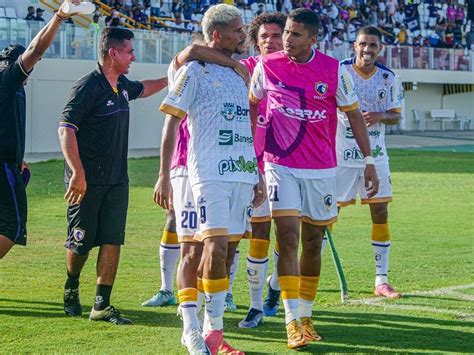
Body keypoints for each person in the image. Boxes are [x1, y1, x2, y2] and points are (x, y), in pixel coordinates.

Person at [249, 9, 378, 350]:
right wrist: (254, 157)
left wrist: (369, 161)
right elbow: (252, 106)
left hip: (321, 169)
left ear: (313, 39)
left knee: (312, 241)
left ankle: (306, 314)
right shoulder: (268, 65)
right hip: (281, 164)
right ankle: (291, 320)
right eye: (286, 32)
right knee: (288, 238)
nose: (287, 40)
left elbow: (354, 116)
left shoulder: (335, 71)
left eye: (295, 35)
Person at [157, 4, 264, 353]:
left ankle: (213, 333)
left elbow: (244, 129)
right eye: (237, 29)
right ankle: (192, 329)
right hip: (200, 172)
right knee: (198, 247)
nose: (243, 34)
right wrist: (162, 175)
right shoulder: (193, 69)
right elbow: (171, 119)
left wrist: (257, 174)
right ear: (217, 34)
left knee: (228, 251)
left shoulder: (239, 74)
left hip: (240, 174)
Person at [58, 27, 168, 325]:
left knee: (112, 239)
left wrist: (174, 77)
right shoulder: (87, 86)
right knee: (81, 242)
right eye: (129, 52)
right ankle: (71, 286)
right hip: (86, 182)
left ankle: (101, 304)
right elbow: (66, 129)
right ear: (113, 53)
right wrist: (78, 173)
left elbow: (144, 88)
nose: (133, 57)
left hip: (118, 180)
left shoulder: (120, 84)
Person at [142, 33, 250, 313]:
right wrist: (163, 174)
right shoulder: (187, 68)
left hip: (224, 168)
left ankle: (215, 296)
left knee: (222, 238)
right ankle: (174, 294)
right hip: (186, 165)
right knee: (184, 234)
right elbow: (191, 51)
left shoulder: (229, 76)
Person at [0, 0, 81, 260]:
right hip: (3, 168)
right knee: (11, 227)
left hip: (8, 163)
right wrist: (58, 17)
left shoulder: (12, 89)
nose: (31, 71)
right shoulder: (7, 80)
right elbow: (35, 49)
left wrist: (16, 156)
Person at [336, 26, 402, 299]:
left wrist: (379, 115)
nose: (367, 50)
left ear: (380, 49)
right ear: (354, 45)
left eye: (373, 45)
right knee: (325, 216)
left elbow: (396, 115)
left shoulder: (388, 78)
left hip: (375, 155)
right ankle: (305, 273)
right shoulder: (339, 70)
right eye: (363, 44)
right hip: (340, 155)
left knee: (380, 213)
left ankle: (381, 279)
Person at [238, 12, 287, 329]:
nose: (270, 40)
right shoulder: (243, 70)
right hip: (252, 164)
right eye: (264, 36)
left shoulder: (298, 70)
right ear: (255, 41)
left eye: (277, 35)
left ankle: (274, 287)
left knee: (292, 239)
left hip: (291, 164)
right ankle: (255, 306)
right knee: (259, 233)